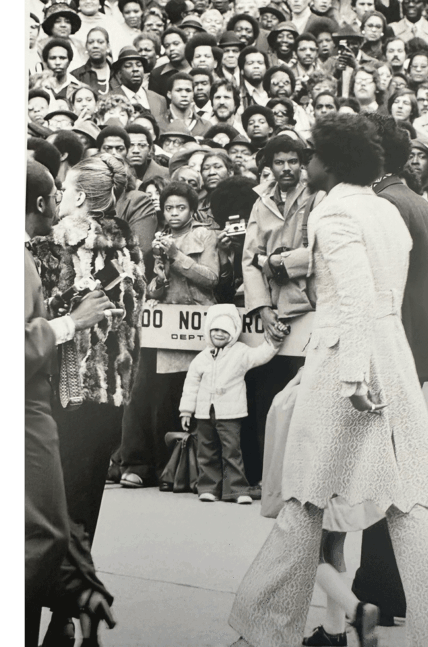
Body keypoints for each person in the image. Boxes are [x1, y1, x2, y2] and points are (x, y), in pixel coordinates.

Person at [228, 114, 428, 647]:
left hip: (345, 366)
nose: (305, 162)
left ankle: (264, 628)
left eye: (311, 154)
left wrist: (355, 375)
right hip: (392, 358)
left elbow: (353, 298)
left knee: (306, 500)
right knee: (408, 505)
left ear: (330, 161)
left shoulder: (333, 213)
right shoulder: (384, 210)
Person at [24, 159, 116, 647]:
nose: (60, 202)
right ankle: (71, 603)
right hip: (49, 404)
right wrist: (71, 322)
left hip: (57, 400)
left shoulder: (42, 249)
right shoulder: (27, 254)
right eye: (55, 193)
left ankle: (71, 604)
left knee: (51, 526)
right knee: (51, 528)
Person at [117, 181, 221, 489]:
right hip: (165, 328)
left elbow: (211, 279)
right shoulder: (159, 239)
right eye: (168, 208)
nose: (174, 214)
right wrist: (158, 280)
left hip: (196, 326)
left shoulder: (205, 235)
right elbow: (153, 287)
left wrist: (177, 256)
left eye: (181, 208)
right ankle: (150, 465)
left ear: (192, 210)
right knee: (155, 395)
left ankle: (180, 470)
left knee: (188, 397)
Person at [239, 133, 318, 484]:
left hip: (309, 306)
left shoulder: (317, 194)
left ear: (302, 163)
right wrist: (263, 309)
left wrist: (275, 263)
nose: (286, 168)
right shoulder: (261, 202)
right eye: (278, 162)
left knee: (305, 394)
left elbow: (316, 252)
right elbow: (248, 260)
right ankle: (270, 477)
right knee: (268, 394)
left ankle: (305, 475)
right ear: (269, 166)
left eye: (292, 161)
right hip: (272, 310)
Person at [179, 304, 281, 504]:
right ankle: (208, 487)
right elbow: (190, 386)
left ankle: (235, 489)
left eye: (224, 330)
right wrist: (186, 411)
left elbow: (260, 355)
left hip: (230, 414)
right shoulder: (201, 358)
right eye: (215, 330)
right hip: (203, 414)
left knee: (232, 452)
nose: (219, 334)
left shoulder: (240, 353)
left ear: (233, 332)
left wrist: (274, 342)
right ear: (209, 331)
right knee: (206, 452)